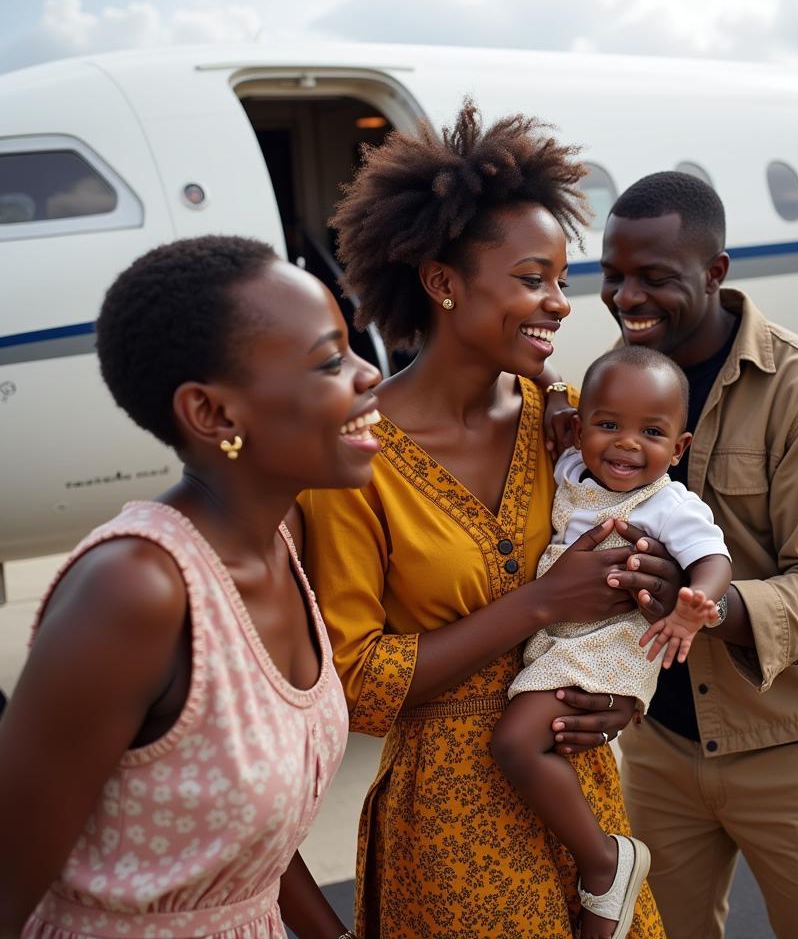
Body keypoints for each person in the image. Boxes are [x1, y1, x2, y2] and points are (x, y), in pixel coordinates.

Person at [298, 102, 671, 939]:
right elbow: (360, 683)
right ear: (442, 282)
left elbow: (642, 558)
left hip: (582, 797)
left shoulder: (570, 421)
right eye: (534, 278)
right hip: (449, 821)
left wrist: (622, 688)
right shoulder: (355, 462)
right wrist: (538, 605)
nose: (561, 303)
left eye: (562, 281)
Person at [0, 236, 375, 939]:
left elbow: (238, 835)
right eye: (332, 361)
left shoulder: (281, 541)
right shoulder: (137, 591)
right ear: (213, 415)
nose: (368, 375)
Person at [594, 172, 798, 939]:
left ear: (716, 272)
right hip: (658, 745)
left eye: (654, 278)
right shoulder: (616, 385)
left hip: (795, 752)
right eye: (613, 275)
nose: (627, 298)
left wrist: (706, 606)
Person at [491, 345, 731, 939]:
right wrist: (550, 391)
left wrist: (694, 604)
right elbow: (549, 375)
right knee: (532, 743)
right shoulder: (572, 466)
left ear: (679, 449)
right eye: (608, 425)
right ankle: (596, 855)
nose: (627, 444)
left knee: (516, 744)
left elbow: (713, 556)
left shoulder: (666, 503)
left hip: (609, 641)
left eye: (652, 432)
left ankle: (604, 862)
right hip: (558, 633)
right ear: (578, 428)